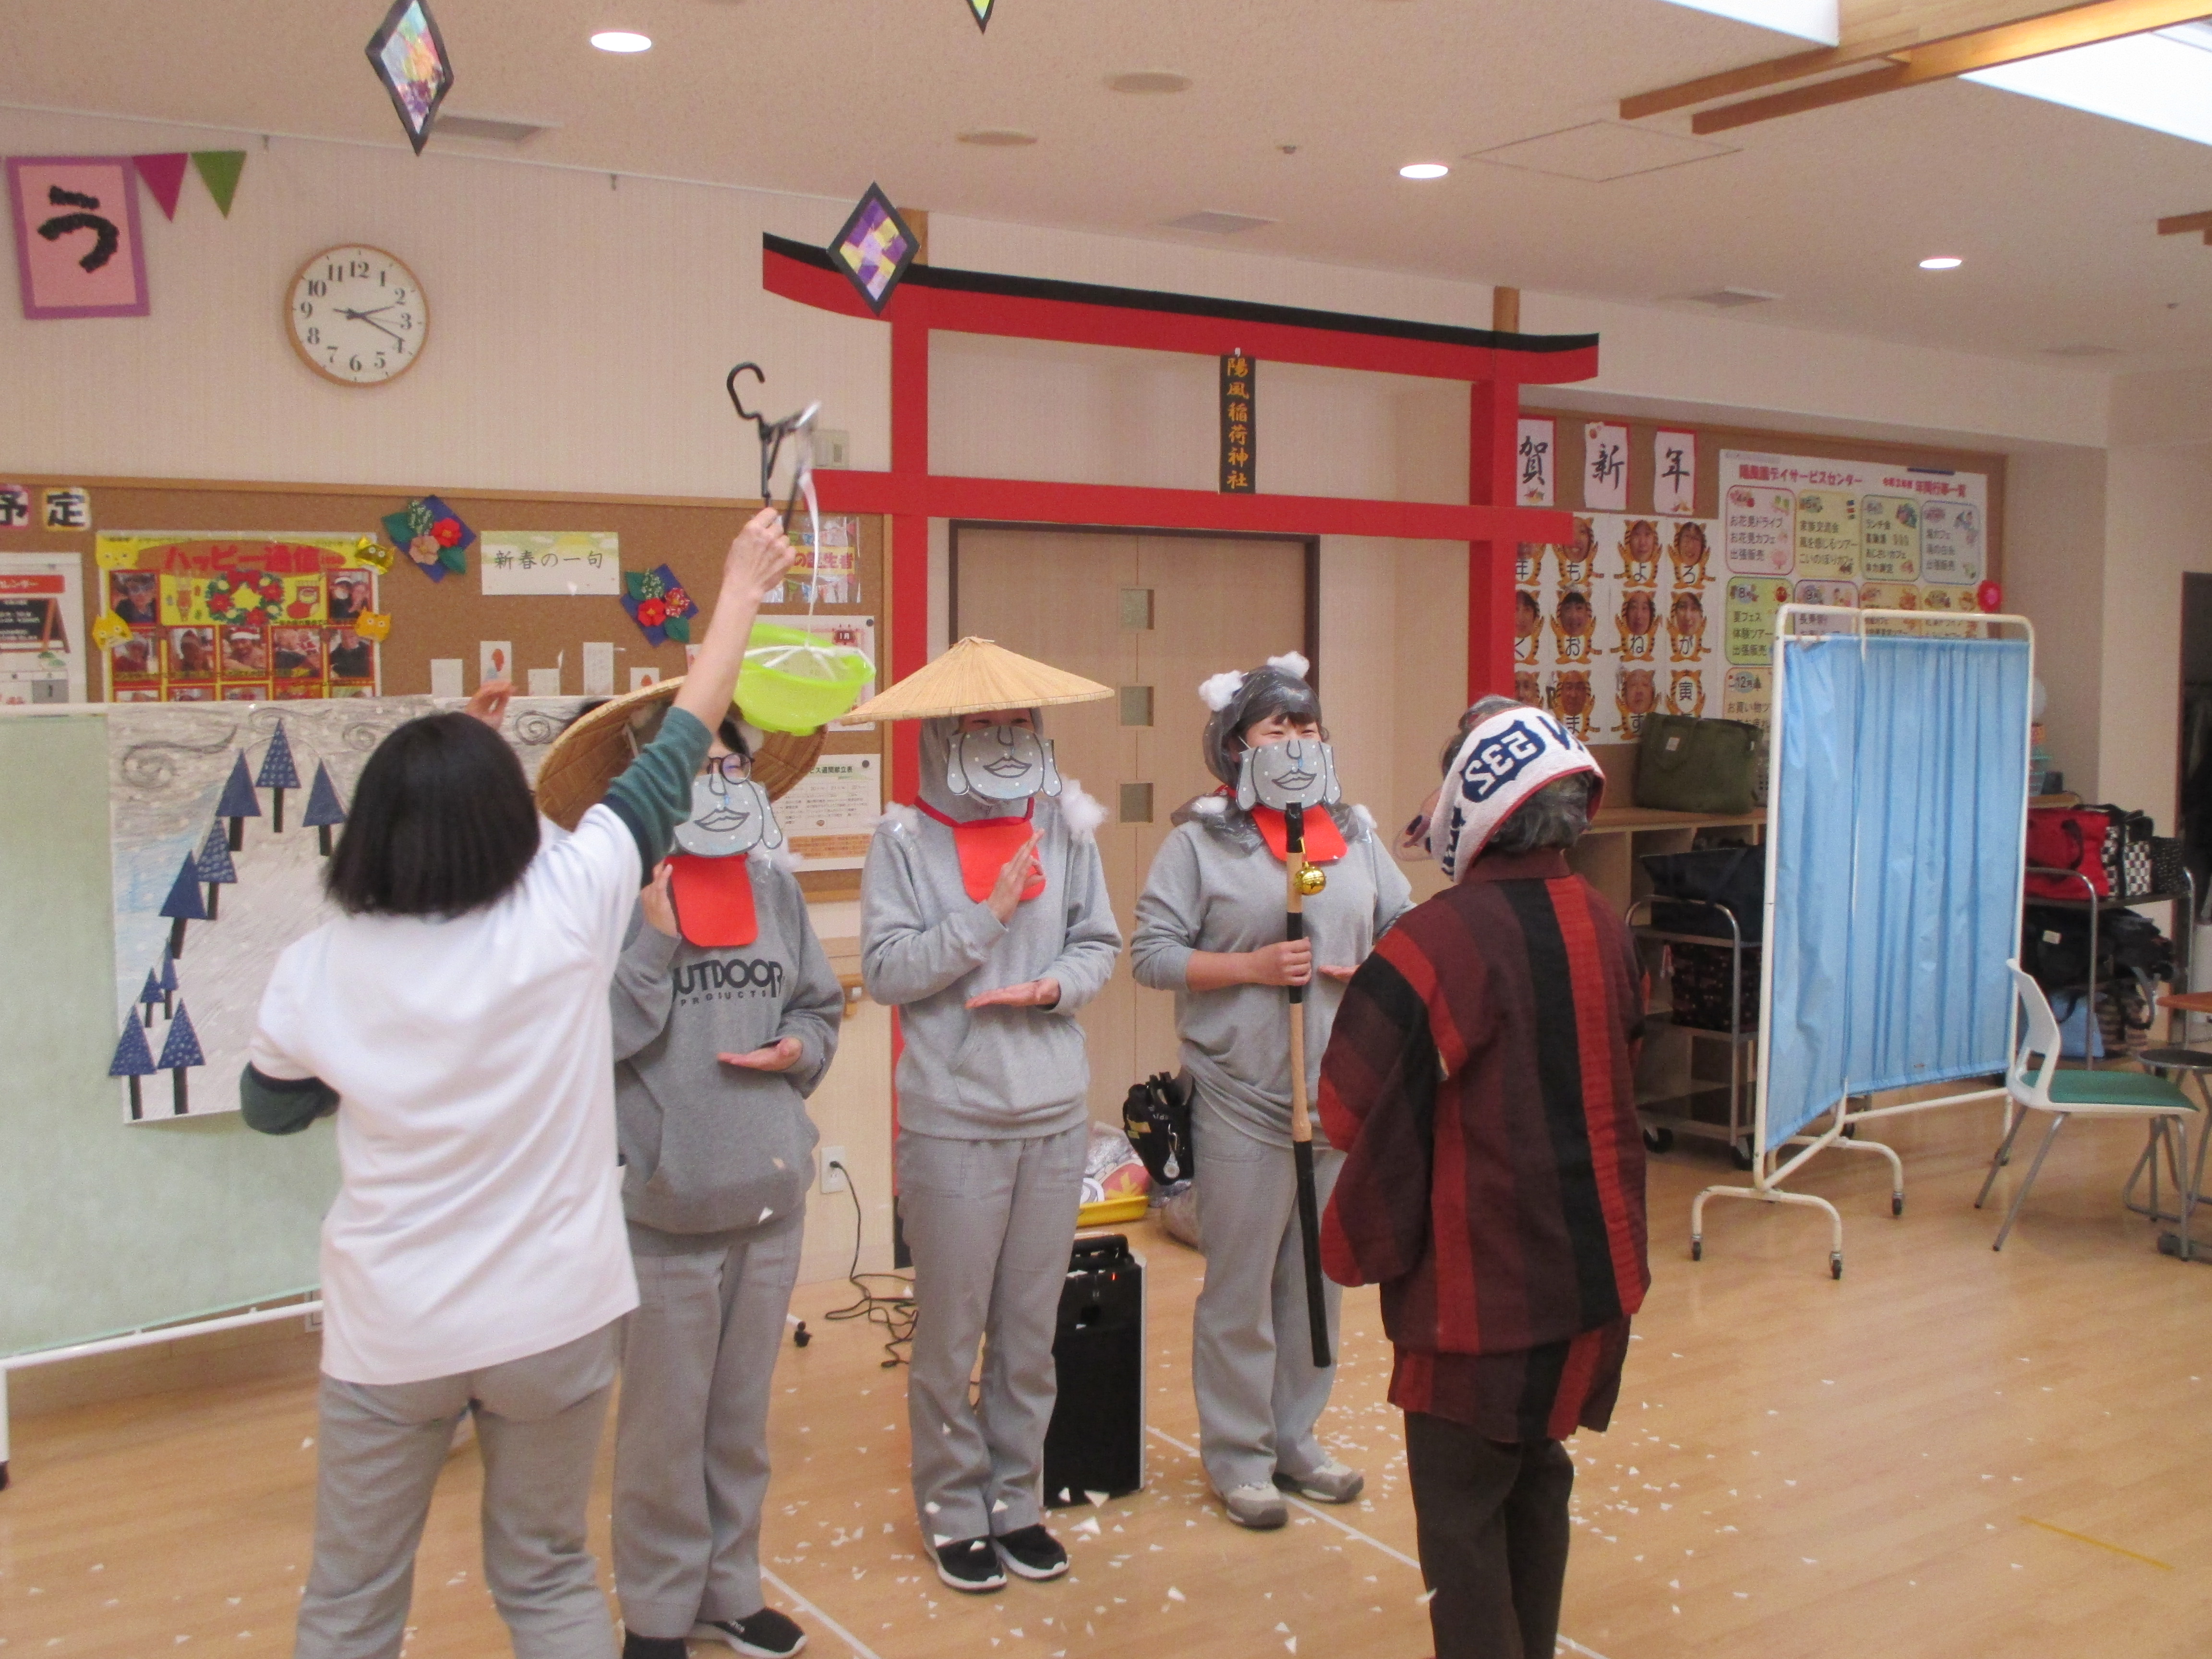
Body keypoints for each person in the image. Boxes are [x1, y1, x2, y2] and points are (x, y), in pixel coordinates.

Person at [238, 509, 795, 1659]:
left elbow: (271, 1107)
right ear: (512, 824)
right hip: (553, 1318)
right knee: (546, 1582)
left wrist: (377, 1080)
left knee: (350, 1603)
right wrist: (741, 587)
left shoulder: (319, 969)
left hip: (393, 1332)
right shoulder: (570, 906)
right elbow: (679, 742)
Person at [1319, 695, 1649, 1659]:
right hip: (1593, 1276)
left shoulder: (1435, 938)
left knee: (1462, 1516)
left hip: (1480, 1294)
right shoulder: (1604, 922)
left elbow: (1344, 1105)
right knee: (1538, 1478)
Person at [856, 651, 1120, 1595]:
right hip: (953, 1121)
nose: (1005, 742)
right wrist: (988, 916)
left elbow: (1100, 941)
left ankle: (1018, 1501)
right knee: (950, 1334)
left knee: (1027, 1331)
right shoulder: (901, 839)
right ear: (943, 738)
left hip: (1053, 1114)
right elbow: (886, 972)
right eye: (982, 727)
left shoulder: (1064, 823)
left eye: (1018, 726)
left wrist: (1054, 988)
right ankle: (952, 1509)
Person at [1129, 652, 1412, 1530]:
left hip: (1337, 1095)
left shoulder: (1352, 832)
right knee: (1242, 1286)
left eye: (1307, 727)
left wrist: (1374, 967)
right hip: (1241, 1096)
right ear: (1235, 745)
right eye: (1275, 728)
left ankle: (1298, 1439)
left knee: (1315, 1285)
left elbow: (1402, 924)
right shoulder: (1200, 841)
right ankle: (1239, 1455)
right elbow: (1152, 955)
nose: (1295, 741)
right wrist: (1250, 967)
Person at [610, 714, 843, 1659]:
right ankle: (658, 1614)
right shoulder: (613, 899)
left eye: (730, 765)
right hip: (667, 1205)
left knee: (739, 1424)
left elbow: (818, 1007)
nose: (716, 783)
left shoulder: (774, 887)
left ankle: (730, 1591)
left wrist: (798, 1050)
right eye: (694, 768)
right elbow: (589, 1041)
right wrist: (653, 943)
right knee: (663, 1432)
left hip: (768, 1194)